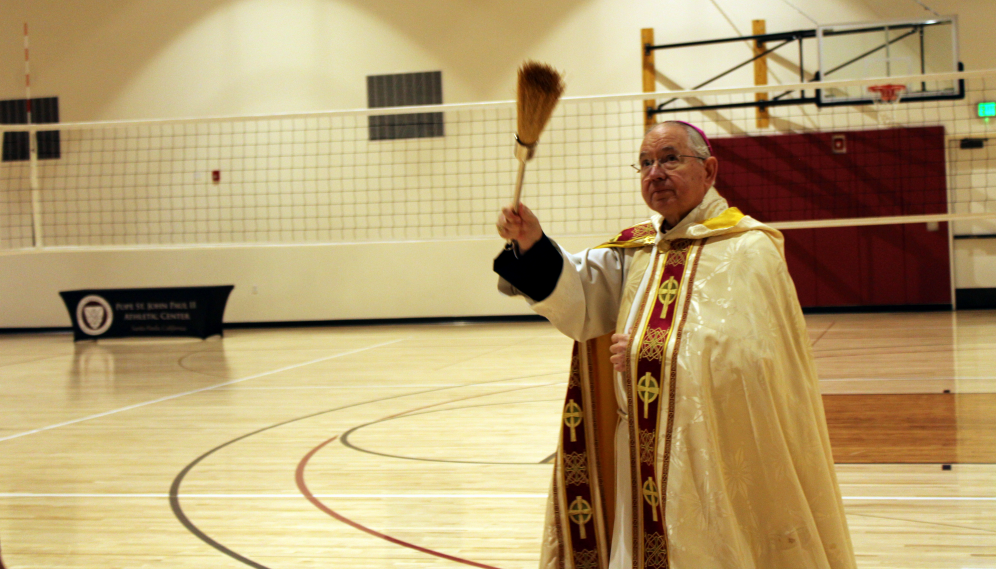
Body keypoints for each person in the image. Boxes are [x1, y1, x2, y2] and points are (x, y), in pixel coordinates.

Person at [494, 121, 856, 569]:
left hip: (712, 452)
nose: (655, 173)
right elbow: (582, 298)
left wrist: (651, 355)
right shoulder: (638, 248)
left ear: (709, 170)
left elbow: (749, 361)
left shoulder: (748, 248)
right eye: (645, 163)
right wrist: (531, 242)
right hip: (639, 448)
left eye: (669, 159)